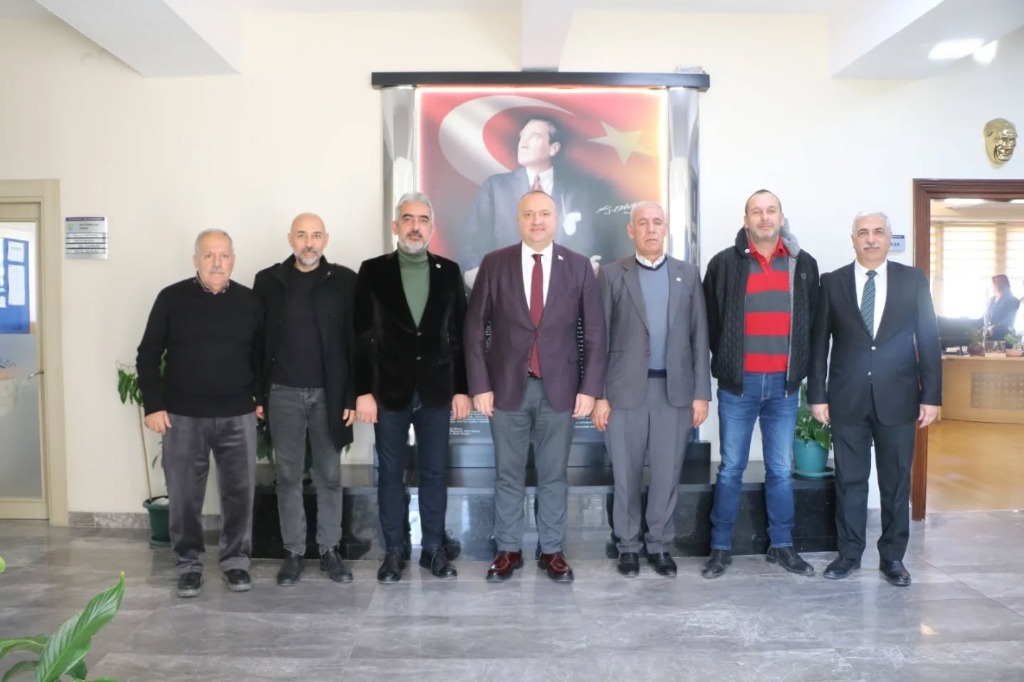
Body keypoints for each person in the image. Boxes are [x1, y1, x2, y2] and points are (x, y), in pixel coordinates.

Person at [464, 189, 606, 583]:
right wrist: (479, 385)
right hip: (506, 388)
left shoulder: (578, 266)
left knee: (554, 474)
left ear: (555, 219)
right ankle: (508, 549)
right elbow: (474, 329)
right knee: (507, 473)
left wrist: (590, 389)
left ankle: (552, 550)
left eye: (544, 213)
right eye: (529, 214)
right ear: (519, 220)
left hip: (560, 390)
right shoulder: (495, 263)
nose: (537, 221)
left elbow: (595, 332)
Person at [809, 211, 942, 587]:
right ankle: (849, 554)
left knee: (896, 482)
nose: (870, 239)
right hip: (846, 398)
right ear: (853, 239)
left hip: (899, 398)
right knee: (850, 480)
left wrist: (931, 395)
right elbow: (819, 344)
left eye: (878, 232)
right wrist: (817, 395)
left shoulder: (912, 280)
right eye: (863, 232)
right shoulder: (832, 282)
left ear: (888, 238)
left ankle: (893, 557)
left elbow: (928, 337)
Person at [136, 229, 263, 598]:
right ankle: (189, 565)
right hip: (183, 416)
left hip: (238, 414)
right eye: (209, 255)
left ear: (233, 260)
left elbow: (261, 355)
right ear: (196, 261)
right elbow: (147, 354)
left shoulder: (250, 301)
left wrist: (261, 398)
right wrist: (153, 405)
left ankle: (236, 561)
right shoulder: (171, 298)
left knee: (239, 493)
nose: (217, 263)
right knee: (185, 496)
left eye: (224, 255)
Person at [701, 189, 819, 579]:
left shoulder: (803, 265)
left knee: (781, 469)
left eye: (771, 211)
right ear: (746, 219)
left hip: (784, 388)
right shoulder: (724, 264)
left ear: (782, 217)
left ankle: (781, 546)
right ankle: (720, 548)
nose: (764, 217)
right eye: (757, 211)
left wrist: (799, 370)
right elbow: (710, 323)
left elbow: (811, 323)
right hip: (739, 386)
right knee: (731, 467)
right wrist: (727, 361)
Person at [354, 192, 471, 584]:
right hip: (388, 391)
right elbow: (360, 336)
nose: (415, 226)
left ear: (431, 228)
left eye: (422, 219)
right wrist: (362, 392)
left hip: (437, 390)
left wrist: (462, 389)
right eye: (408, 218)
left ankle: (433, 550)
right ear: (395, 226)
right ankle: (394, 551)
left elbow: (459, 334)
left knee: (434, 471)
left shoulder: (448, 272)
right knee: (390, 473)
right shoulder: (373, 271)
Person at [592, 201, 711, 578]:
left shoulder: (687, 274)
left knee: (666, 473)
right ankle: (628, 546)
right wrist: (599, 395)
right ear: (631, 231)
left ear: (666, 228)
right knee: (625, 474)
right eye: (642, 223)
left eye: (657, 222)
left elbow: (700, 336)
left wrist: (701, 393)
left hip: (674, 393)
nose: (650, 229)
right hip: (624, 392)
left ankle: (659, 544)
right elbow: (598, 338)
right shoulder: (612, 275)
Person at [252, 213, 357, 586]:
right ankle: (294, 552)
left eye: (315, 235)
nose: (309, 243)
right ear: (290, 239)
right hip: (283, 393)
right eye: (301, 235)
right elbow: (257, 342)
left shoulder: (344, 281)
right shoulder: (268, 281)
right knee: (287, 476)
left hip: (330, 395)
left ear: (325, 239)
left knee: (330, 475)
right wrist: (258, 393)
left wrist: (351, 396)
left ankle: (329, 550)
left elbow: (355, 343)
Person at [463, 117, 597, 284]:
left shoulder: (576, 192)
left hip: (560, 286)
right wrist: (472, 269)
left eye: (533, 137)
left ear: (554, 148)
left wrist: (587, 267)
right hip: (506, 284)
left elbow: (586, 243)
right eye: (522, 137)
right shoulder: (495, 187)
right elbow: (474, 238)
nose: (522, 144)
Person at [983, 274, 1020, 340]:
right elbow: (986, 318)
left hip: (1004, 338)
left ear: (999, 285)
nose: (991, 286)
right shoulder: (991, 300)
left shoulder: (1012, 300)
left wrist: (993, 328)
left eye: (992, 284)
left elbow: (1009, 321)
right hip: (989, 338)